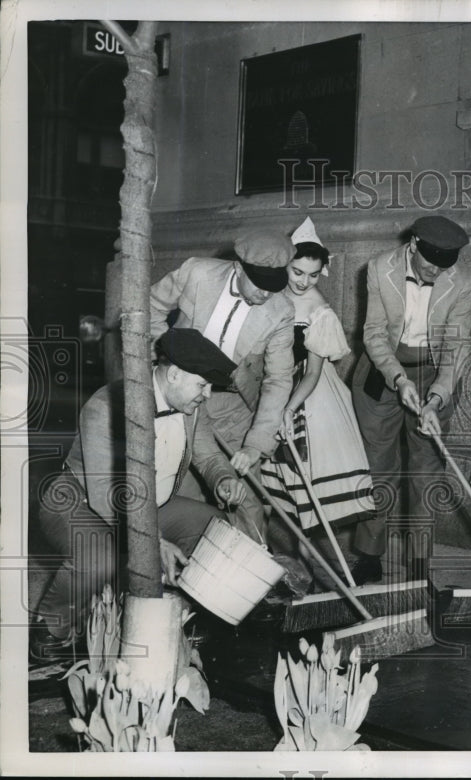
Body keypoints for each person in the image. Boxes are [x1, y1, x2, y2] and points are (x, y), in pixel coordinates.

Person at [32, 329, 248, 659]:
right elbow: (108, 495)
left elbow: (209, 456)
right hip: (80, 502)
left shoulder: (190, 407)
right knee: (98, 557)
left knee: (213, 528)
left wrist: (223, 479)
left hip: (148, 504)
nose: (207, 395)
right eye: (202, 385)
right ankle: (51, 628)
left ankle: (178, 616)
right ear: (174, 374)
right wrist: (154, 543)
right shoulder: (107, 406)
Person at [350, 215, 471, 584]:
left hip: (433, 371)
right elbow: (373, 335)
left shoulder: (463, 282)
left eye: (444, 267)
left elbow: (457, 346)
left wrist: (435, 399)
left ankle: (421, 559)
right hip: (382, 371)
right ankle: (370, 555)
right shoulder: (378, 268)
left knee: (427, 470)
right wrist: (400, 380)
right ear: (413, 246)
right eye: (428, 265)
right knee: (378, 468)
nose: (436, 273)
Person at [149, 230, 296, 540]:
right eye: (260, 285)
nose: (266, 295)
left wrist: (256, 443)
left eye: (274, 287)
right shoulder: (197, 272)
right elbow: (152, 305)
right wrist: (165, 351)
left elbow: (278, 379)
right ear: (239, 268)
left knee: (243, 492)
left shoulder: (281, 311)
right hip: (181, 394)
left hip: (233, 404)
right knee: (178, 480)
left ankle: (254, 568)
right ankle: (179, 567)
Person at [260, 218, 376, 586]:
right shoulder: (271, 293)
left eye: (311, 274)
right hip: (271, 388)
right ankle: (284, 569)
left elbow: (312, 374)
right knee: (273, 492)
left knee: (311, 494)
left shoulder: (318, 308)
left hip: (308, 399)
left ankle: (334, 579)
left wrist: (289, 408)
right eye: (297, 271)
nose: (303, 281)